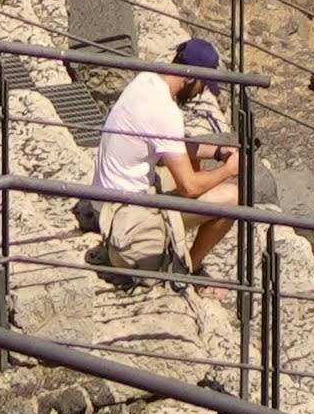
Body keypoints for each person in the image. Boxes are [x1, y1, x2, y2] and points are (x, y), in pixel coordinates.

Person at [86, 32, 240, 283]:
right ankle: (188, 270)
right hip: (128, 219)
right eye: (203, 85)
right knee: (233, 198)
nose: (200, 93)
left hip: (105, 201)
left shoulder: (146, 81)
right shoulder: (164, 111)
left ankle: (179, 246)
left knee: (191, 165)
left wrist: (219, 152)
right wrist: (228, 170)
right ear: (191, 77)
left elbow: (171, 146)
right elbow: (188, 187)